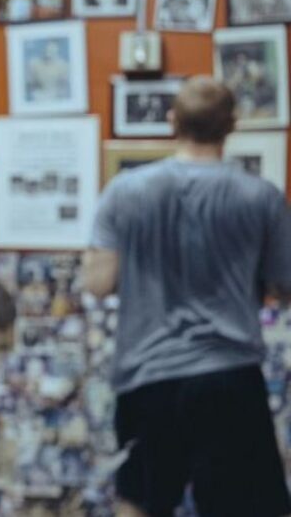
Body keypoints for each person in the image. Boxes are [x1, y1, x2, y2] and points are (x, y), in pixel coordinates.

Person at [84, 76, 291, 517]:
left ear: (171, 121)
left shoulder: (125, 190)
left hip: (148, 375)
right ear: (231, 125)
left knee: (139, 505)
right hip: (229, 377)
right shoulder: (262, 195)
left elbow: (97, 282)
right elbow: (283, 286)